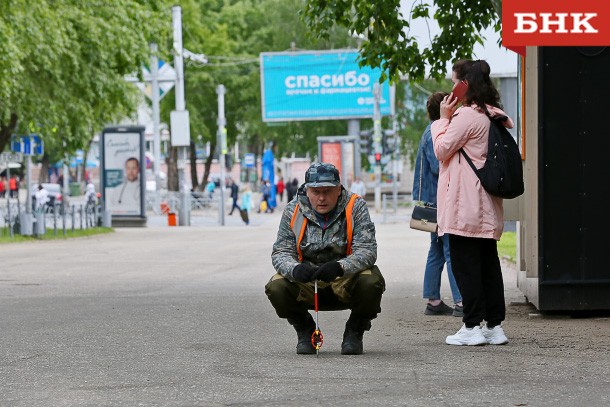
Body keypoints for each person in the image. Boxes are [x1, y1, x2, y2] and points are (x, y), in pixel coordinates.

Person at [265, 163, 385, 355]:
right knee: (276, 286)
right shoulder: (293, 210)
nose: (321, 198)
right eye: (315, 191)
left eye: (328, 191)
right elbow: (281, 252)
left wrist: (340, 267)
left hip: (345, 279)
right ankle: (305, 329)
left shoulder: (356, 207)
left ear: (338, 189)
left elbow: (367, 251)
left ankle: (355, 329)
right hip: (307, 281)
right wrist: (295, 269)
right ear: (307, 189)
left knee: (372, 282)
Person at [432, 59, 511, 346]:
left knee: (466, 266)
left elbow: (441, 149)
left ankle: (471, 327)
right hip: (486, 203)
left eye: (455, 82)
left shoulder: (466, 117)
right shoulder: (492, 114)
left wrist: (442, 118)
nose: (451, 87)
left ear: (465, 84)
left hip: (466, 203)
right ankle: (494, 326)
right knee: (488, 265)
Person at [413, 92, 463, 317]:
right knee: (451, 250)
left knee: (436, 250)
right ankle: (461, 301)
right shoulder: (436, 132)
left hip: (428, 202)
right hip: (439, 201)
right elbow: (439, 165)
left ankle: (433, 300)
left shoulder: (427, 131)